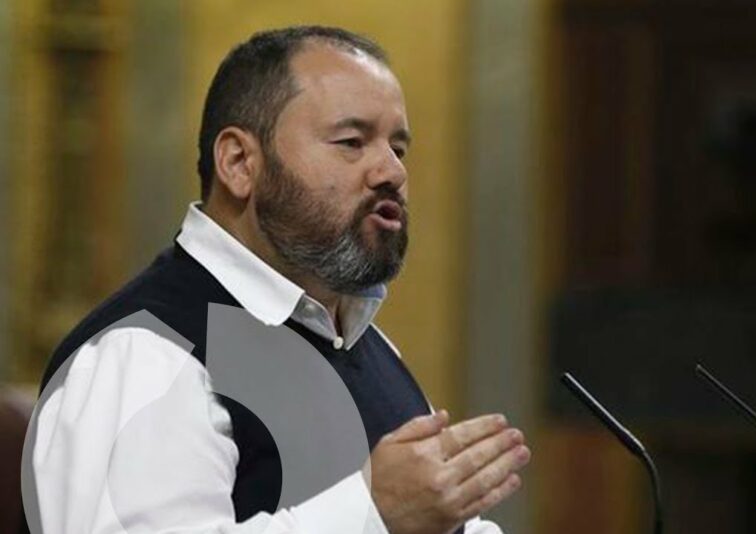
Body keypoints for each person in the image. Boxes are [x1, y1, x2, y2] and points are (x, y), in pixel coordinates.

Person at [27, 26, 530, 534]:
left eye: (398, 149)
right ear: (239, 163)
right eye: (352, 142)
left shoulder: (364, 343)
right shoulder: (145, 352)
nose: (391, 172)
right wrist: (372, 514)